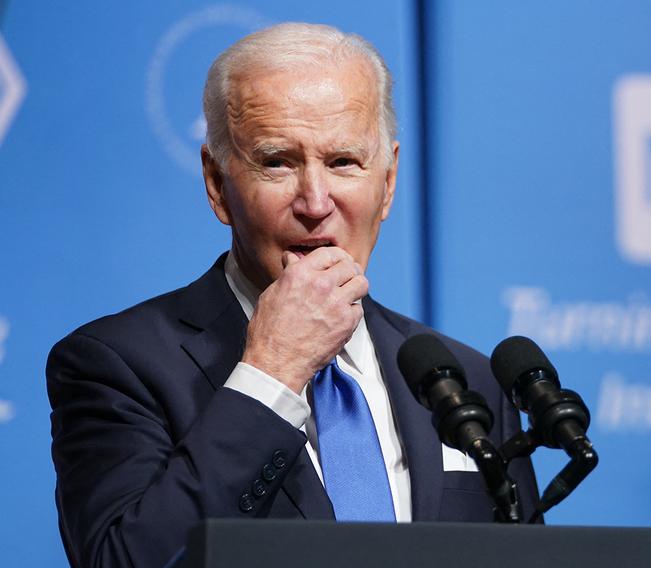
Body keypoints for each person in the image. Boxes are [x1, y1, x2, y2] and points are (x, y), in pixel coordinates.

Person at [46, 22, 538, 568]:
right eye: (278, 162)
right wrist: (271, 373)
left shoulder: (469, 380)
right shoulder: (117, 364)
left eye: (343, 162)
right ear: (217, 183)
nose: (315, 201)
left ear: (388, 181)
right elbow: (127, 561)